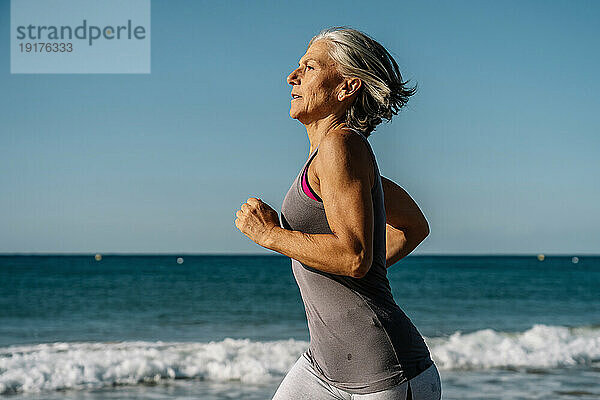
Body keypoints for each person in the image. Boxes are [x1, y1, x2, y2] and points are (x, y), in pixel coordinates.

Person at [234, 27, 441, 400]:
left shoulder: (341, 145)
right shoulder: (335, 157)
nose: (292, 77)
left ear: (347, 87)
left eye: (310, 67)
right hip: (322, 367)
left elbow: (354, 256)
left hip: (381, 377)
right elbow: (412, 226)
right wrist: (353, 272)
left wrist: (270, 235)